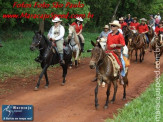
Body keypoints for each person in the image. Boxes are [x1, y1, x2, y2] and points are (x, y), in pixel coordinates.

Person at [106, 20, 126, 84]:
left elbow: (123, 44)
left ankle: (121, 76)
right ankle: (99, 75)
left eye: (113, 26)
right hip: (108, 51)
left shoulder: (120, 35)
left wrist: (115, 45)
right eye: (111, 25)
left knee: (122, 63)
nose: (112, 27)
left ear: (117, 27)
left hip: (116, 51)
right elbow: (107, 43)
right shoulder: (109, 34)